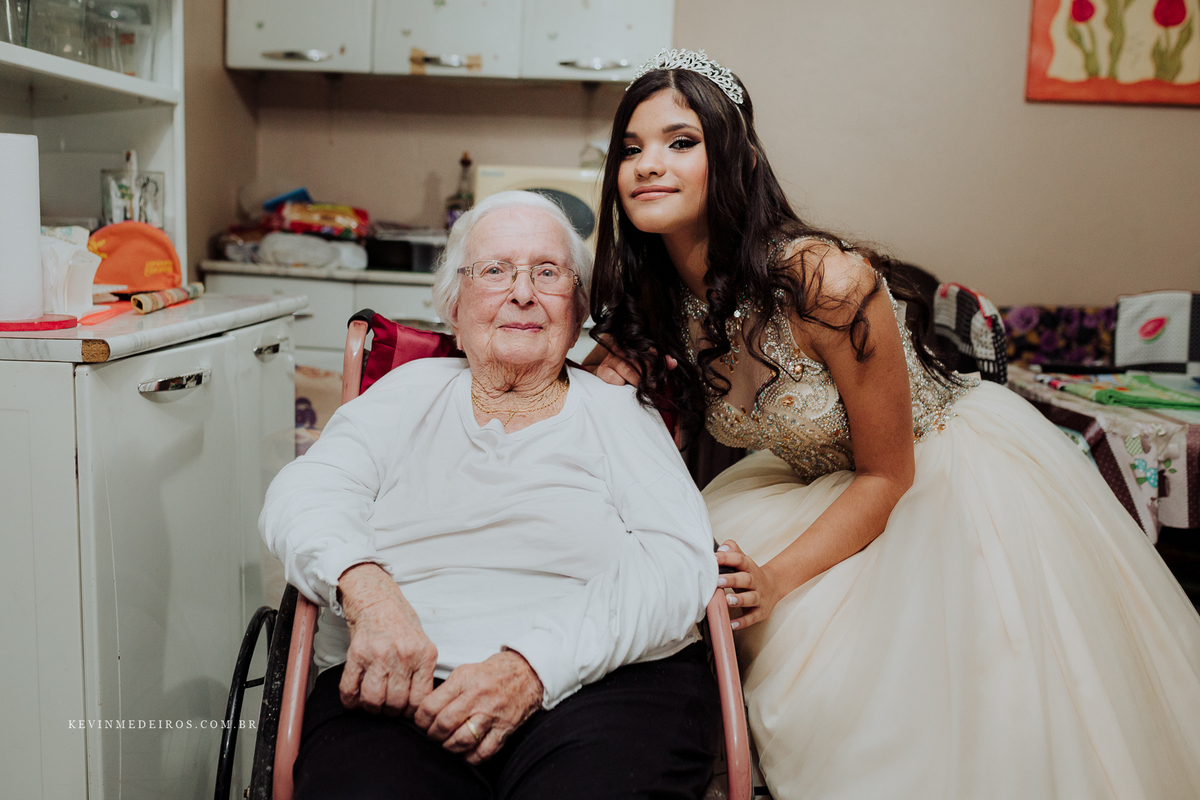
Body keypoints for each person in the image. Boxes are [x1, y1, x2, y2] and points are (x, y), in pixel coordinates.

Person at [586, 48, 1200, 799]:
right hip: (804, 479)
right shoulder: (659, 293)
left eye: (680, 141)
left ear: (737, 158)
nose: (648, 164)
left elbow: (889, 474)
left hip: (935, 479)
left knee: (878, 701)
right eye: (630, 148)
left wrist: (776, 581)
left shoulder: (826, 283)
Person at [260, 190, 721, 800]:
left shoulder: (617, 414)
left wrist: (530, 668)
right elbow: (306, 491)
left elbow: (676, 562)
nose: (523, 293)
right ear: (454, 304)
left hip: (607, 685)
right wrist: (369, 592)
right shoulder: (407, 393)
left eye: (548, 272)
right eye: (496, 270)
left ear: (579, 308)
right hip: (404, 679)